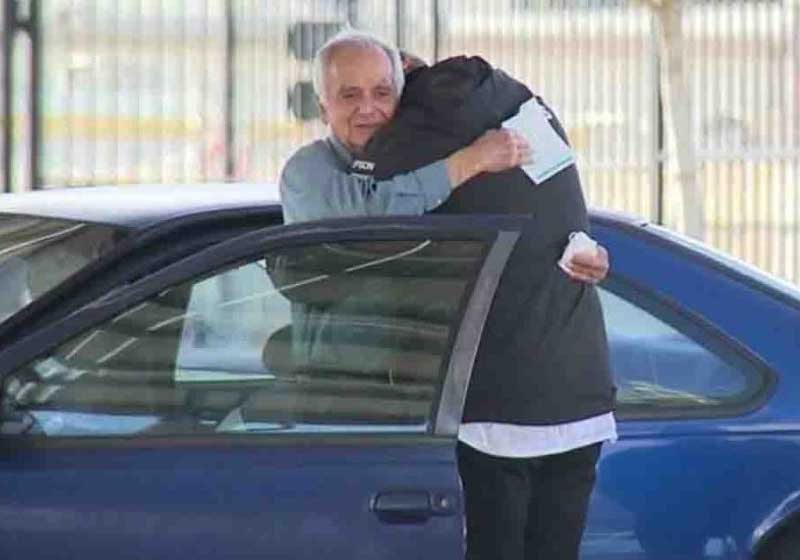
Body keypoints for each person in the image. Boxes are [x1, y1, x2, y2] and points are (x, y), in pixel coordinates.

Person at [278, 29, 615, 560]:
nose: (368, 109)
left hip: (438, 417)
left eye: (382, 93)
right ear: (323, 107)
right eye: (349, 95)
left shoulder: (427, 161)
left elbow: (543, 212)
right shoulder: (311, 171)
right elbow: (368, 216)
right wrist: (470, 160)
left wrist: (578, 248)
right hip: (347, 416)